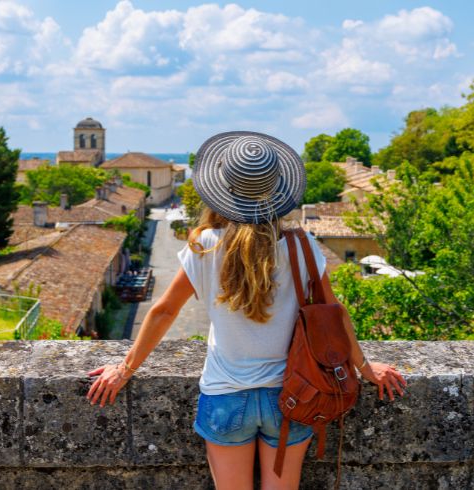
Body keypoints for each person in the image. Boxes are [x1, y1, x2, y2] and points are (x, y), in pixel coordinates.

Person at [86, 131, 406, 489]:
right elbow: (333, 312)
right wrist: (365, 367)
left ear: (222, 190)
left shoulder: (205, 246)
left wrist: (125, 369)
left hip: (225, 395)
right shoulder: (302, 246)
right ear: (277, 190)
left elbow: (162, 312)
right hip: (291, 394)